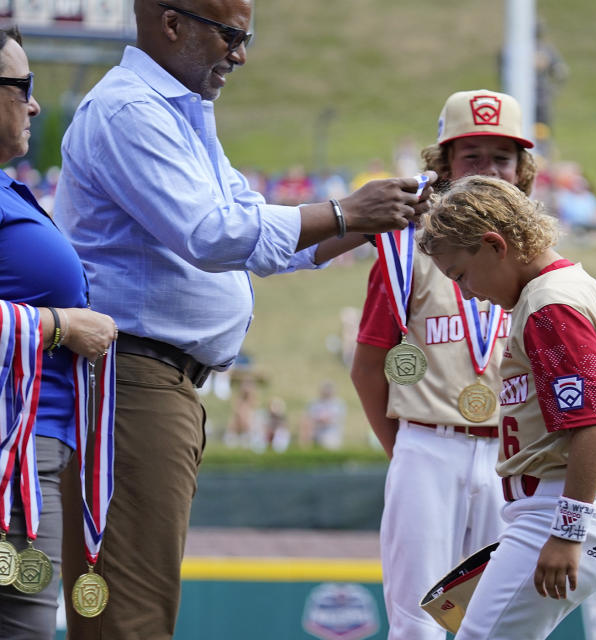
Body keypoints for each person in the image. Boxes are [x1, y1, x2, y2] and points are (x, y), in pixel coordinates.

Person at [53, 2, 435, 638]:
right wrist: (345, 211)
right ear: (171, 22)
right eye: (230, 34)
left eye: (246, 36)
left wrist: (370, 220)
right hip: (134, 381)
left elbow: (259, 240)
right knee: (133, 611)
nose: (241, 53)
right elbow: (212, 235)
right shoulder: (130, 111)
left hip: (155, 382)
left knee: (141, 599)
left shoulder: (179, 111)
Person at [349, 88, 536, 640]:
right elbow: (368, 367)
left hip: (510, 458)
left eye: (501, 157)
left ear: (522, 168)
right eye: (470, 155)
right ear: (444, 165)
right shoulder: (408, 249)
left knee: (493, 623)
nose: (487, 170)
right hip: (430, 447)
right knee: (420, 625)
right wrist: (409, 449)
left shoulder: (535, 253)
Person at [418, 175, 596, 639]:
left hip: (562, 507)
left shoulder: (547, 304)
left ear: (495, 245)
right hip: (563, 506)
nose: (467, 292)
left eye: (460, 274)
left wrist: (567, 530)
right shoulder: (567, 288)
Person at [0, 26, 117, 638]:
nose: (35, 104)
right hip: (10, 453)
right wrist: (60, 324)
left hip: (30, 452)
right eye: (24, 86)